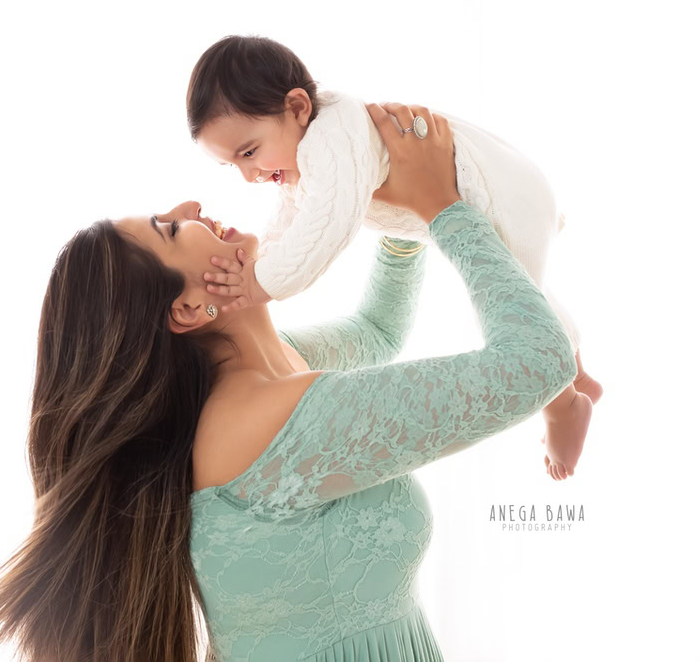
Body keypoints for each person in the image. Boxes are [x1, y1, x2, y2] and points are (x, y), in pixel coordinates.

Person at [0, 102, 577, 662]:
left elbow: (378, 331)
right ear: (188, 310)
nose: (190, 206)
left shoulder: (271, 377)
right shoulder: (261, 422)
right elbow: (540, 363)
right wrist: (444, 207)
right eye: (168, 228)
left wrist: (398, 220)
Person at [186, 34, 601, 481]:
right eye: (234, 165)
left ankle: (563, 408)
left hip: (500, 196)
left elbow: (327, 224)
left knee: (512, 309)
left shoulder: (331, 139)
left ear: (298, 107)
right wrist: (259, 263)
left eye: (250, 153)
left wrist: (261, 282)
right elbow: (293, 216)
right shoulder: (306, 147)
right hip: (501, 187)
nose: (250, 175)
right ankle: (578, 375)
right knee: (528, 292)